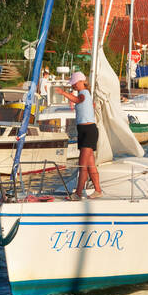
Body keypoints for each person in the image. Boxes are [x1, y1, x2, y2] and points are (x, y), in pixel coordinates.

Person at [57, 71, 103, 199]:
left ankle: (78, 193)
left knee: (82, 164)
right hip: (83, 130)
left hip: (89, 131)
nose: (73, 86)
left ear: (81, 82)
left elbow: (78, 100)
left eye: (74, 84)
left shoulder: (84, 93)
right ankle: (98, 190)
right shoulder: (83, 94)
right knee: (89, 164)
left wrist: (63, 93)